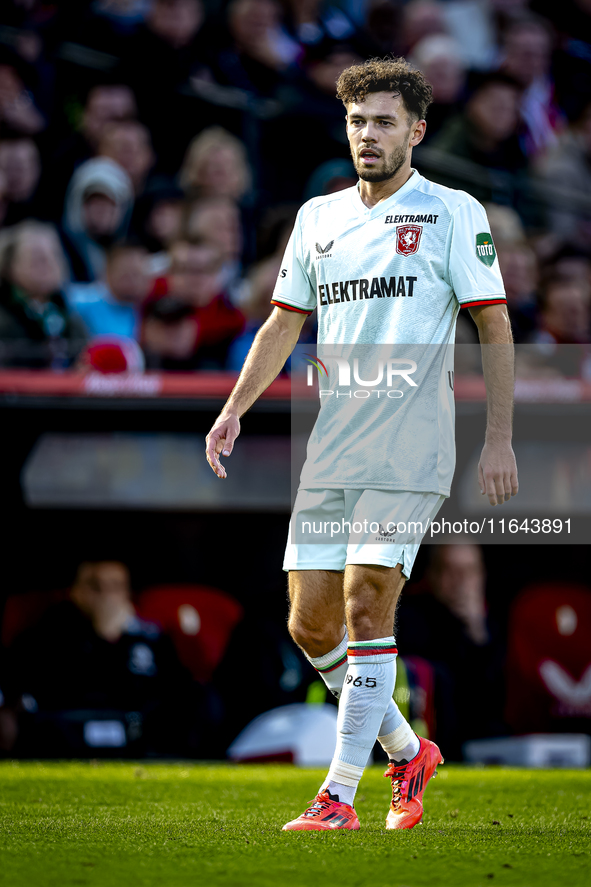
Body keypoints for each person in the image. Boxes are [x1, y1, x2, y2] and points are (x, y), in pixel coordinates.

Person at [206, 57, 518, 831]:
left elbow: (494, 322)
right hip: (333, 444)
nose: (366, 135)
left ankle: (337, 795)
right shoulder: (317, 217)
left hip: (412, 444)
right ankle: (409, 752)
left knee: (364, 601)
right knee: (309, 623)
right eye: (355, 121)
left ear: (415, 130)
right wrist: (234, 408)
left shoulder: (453, 212)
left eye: (382, 121)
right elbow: (283, 320)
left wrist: (500, 438)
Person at [2, 561, 201, 756]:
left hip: (141, 740)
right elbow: (42, 690)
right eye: (96, 587)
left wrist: (116, 637)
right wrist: (101, 637)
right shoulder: (48, 635)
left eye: (115, 587)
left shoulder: (151, 638)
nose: (106, 596)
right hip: (64, 738)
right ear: (76, 591)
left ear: (128, 594)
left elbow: (175, 691)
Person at [0, 220, 87, 368]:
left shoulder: (71, 317)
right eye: (36, 256)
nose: (48, 262)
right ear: (10, 265)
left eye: (54, 254)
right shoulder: (4, 319)